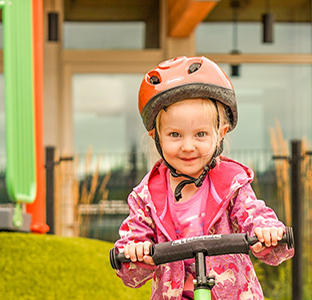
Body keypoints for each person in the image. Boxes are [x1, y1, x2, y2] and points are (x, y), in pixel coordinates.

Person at [113, 56, 294, 300]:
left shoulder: (231, 185)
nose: (188, 146)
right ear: (156, 135)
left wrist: (267, 233)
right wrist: (136, 252)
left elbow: (255, 216)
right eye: (175, 135)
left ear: (220, 133)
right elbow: (130, 269)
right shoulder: (147, 197)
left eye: (200, 134)